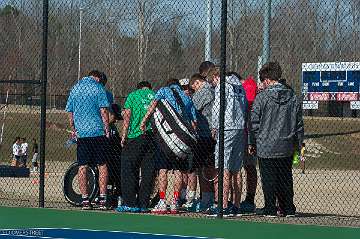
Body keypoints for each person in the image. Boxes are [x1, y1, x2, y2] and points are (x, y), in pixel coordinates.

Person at [249, 62, 304, 217]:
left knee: (269, 179)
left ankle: (270, 209)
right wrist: (299, 144)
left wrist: (252, 142)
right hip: (286, 145)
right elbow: (299, 123)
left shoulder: (262, 97)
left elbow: (254, 122)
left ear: (266, 79)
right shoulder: (292, 96)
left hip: (266, 145)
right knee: (286, 178)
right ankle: (288, 209)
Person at [140, 79, 197, 214]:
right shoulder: (187, 98)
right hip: (179, 141)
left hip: (164, 138)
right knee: (178, 170)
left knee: (163, 170)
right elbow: (193, 123)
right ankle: (175, 201)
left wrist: (144, 121)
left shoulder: (164, 91)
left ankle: (162, 201)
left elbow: (153, 105)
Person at [65, 70, 110, 210]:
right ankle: (103, 199)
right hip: (97, 132)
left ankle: (85, 199)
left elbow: (70, 112)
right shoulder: (98, 88)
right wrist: (106, 128)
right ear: (97, 78)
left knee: (82, 166)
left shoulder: (76, 88)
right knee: (102, 165)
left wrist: (73, 128)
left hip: (82, 134)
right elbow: (103, 111)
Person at [208, 67, 248, 216]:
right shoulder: (239, 85)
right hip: (239, 127)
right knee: (236, 168)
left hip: (227, 127)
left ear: (217, 76)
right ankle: (236, 205)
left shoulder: (222, 85)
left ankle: (223, 205)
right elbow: (244, 107)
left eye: (213, 81)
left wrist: (214, 126)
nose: (214, 84)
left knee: (223, 167)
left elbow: (218, 108)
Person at [116, 81, 156, 213]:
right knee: (148, 171)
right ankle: (143, 203)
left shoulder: (133, 95)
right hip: (152, 136)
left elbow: (127, 117)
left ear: (138, 88)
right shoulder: (154, 95)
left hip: (135, 135)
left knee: (128, 168)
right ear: (149, 88)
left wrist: (124, 136)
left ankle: (130, 203)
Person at [189, 73, 216, 212]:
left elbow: (191, 109)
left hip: (205, 135)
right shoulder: (214, 89)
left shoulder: (204, 91)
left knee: (204, 169)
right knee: (212, 168)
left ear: (198, 83)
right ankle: (211, 199)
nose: (194, 90)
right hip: (213, 134)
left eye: (194, 87)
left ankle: (206, 200)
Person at [98, 73, 122, 209]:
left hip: (106, 131)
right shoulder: (102, 94)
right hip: (99, 130)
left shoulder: (107, 94)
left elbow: (111, 115)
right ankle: (103, 193)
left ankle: (109, 194)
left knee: (108, 164)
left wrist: (109, 120)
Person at [238, 75, 258, 214]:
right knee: (238, 169)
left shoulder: (248, 87)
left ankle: (249, 199)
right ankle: (239, 200)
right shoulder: (240, 89)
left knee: (249, 167)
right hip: (241, 134)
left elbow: (250, 111)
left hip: (248, 134)